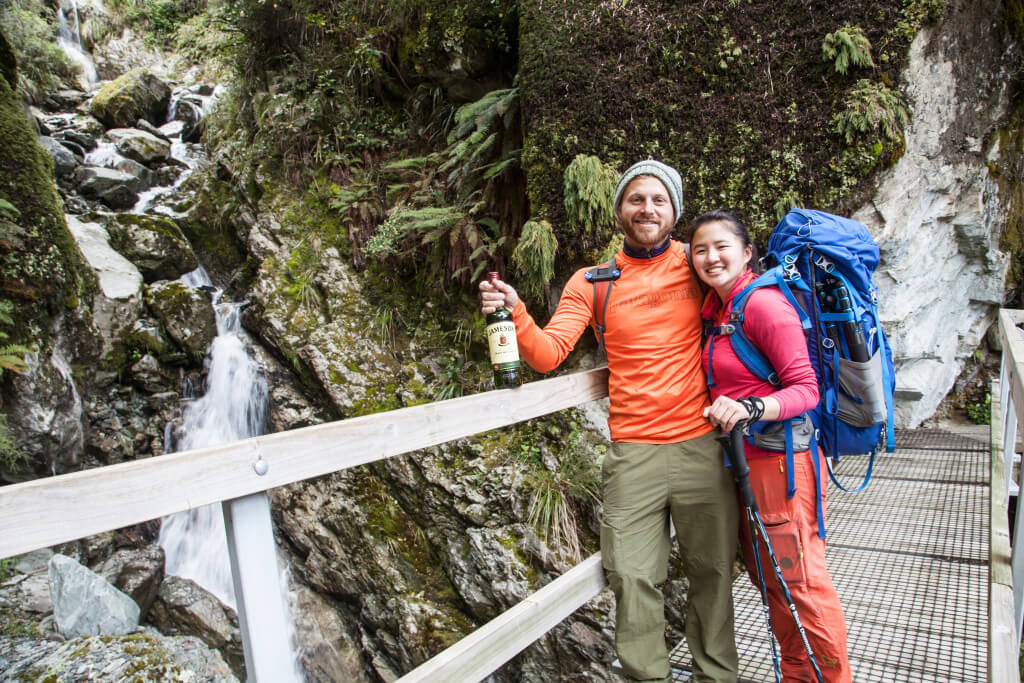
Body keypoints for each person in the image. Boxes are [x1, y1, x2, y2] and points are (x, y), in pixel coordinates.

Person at [480, 161, 739, 682]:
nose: (647, 208)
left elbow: (755, 306)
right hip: (632, 452)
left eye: (659, 200)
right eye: (636, 199)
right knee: (631, 575)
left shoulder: (701, 263)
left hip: (702, 444)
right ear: (619, 209)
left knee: (712, 573)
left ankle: (718, 676)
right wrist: (516, 312)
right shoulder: (592, 282)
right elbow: (549, 353)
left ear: (675, 211)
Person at [688, 209, 852, 682]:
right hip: (748, 466)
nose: (711, 257)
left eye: (722, 246)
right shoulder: (720, 309)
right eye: (700, 249)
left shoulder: (762, 306)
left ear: (747, 252)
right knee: (774, 583)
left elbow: (806, 389)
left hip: (781, 469)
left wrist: (750, 408)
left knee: (799, 583)